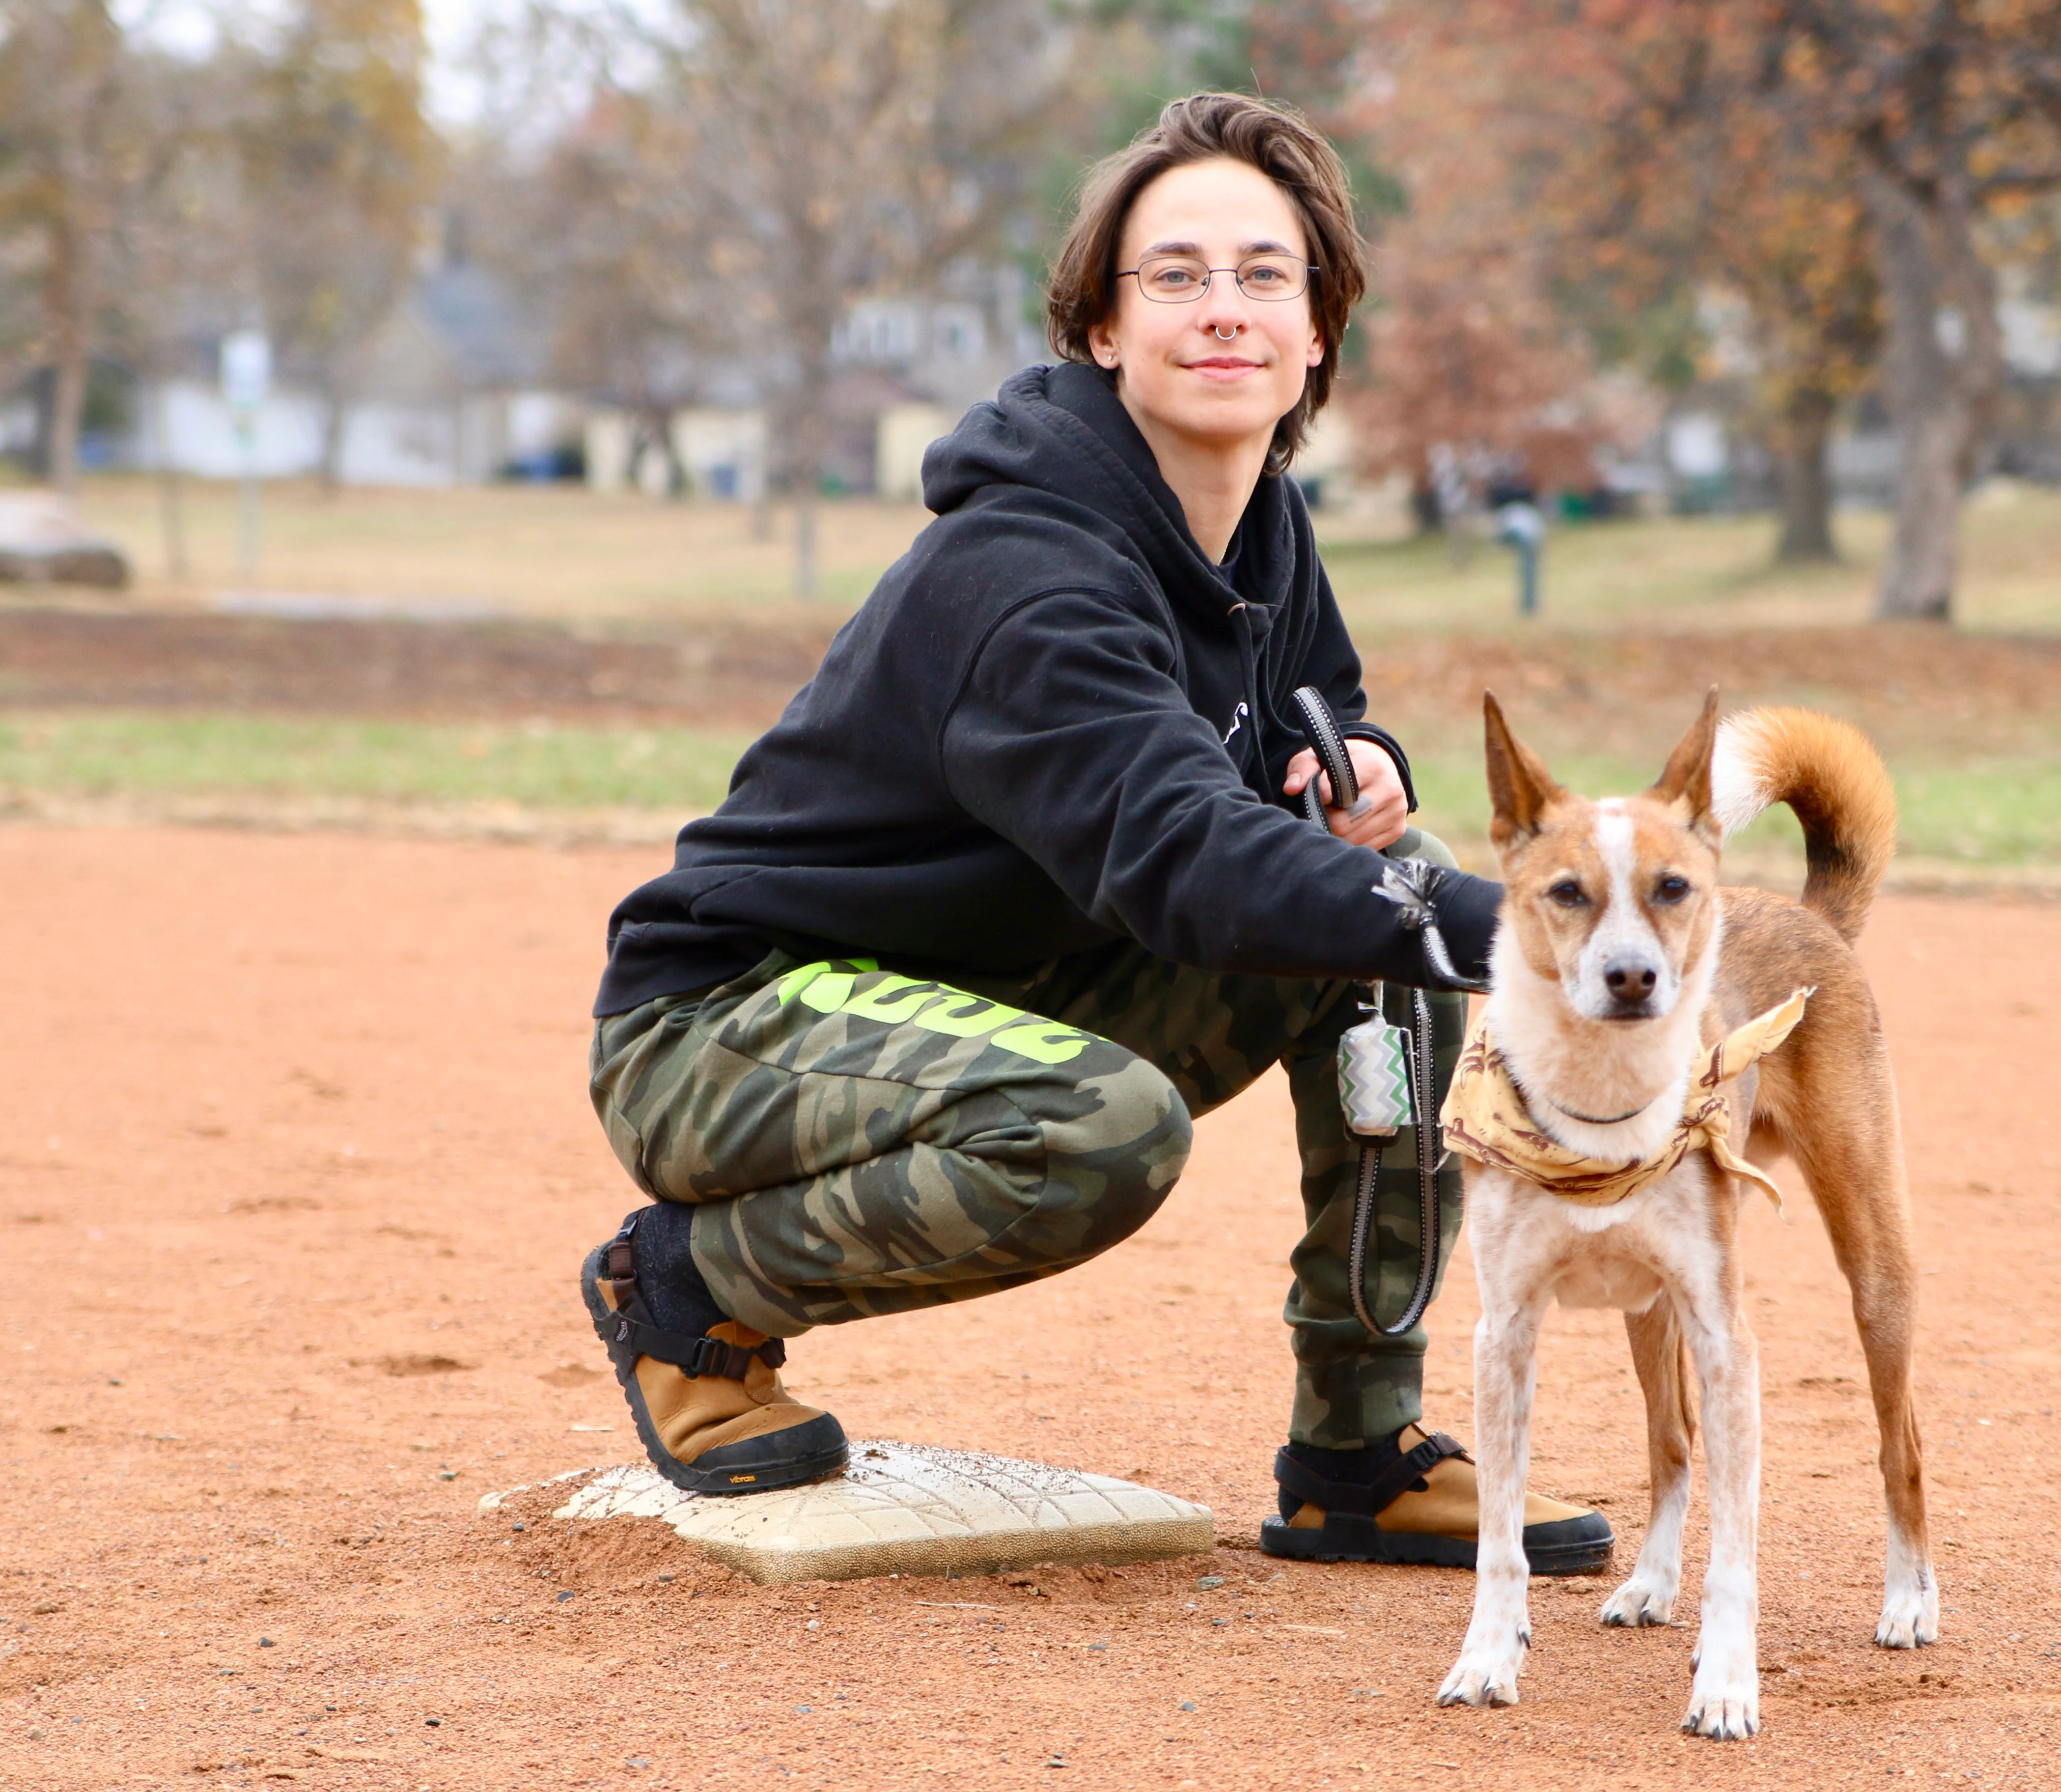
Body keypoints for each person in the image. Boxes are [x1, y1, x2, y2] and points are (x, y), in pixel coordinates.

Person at [579, 92, 1609, 1573]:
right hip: (733, 1019)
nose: (1224, 310)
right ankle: (685, 1288)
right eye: (1174, 275)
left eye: (1266, 275)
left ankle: (1355, 1452)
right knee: (1100, 1124)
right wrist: (1523, 935)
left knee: (1387, 930)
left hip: (987, 994)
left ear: (1319, 329)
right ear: (1104, 328)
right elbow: (1184, 856)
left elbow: (1316, 698)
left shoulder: (1252, 520)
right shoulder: (1028, 568)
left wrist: (1361, 763)